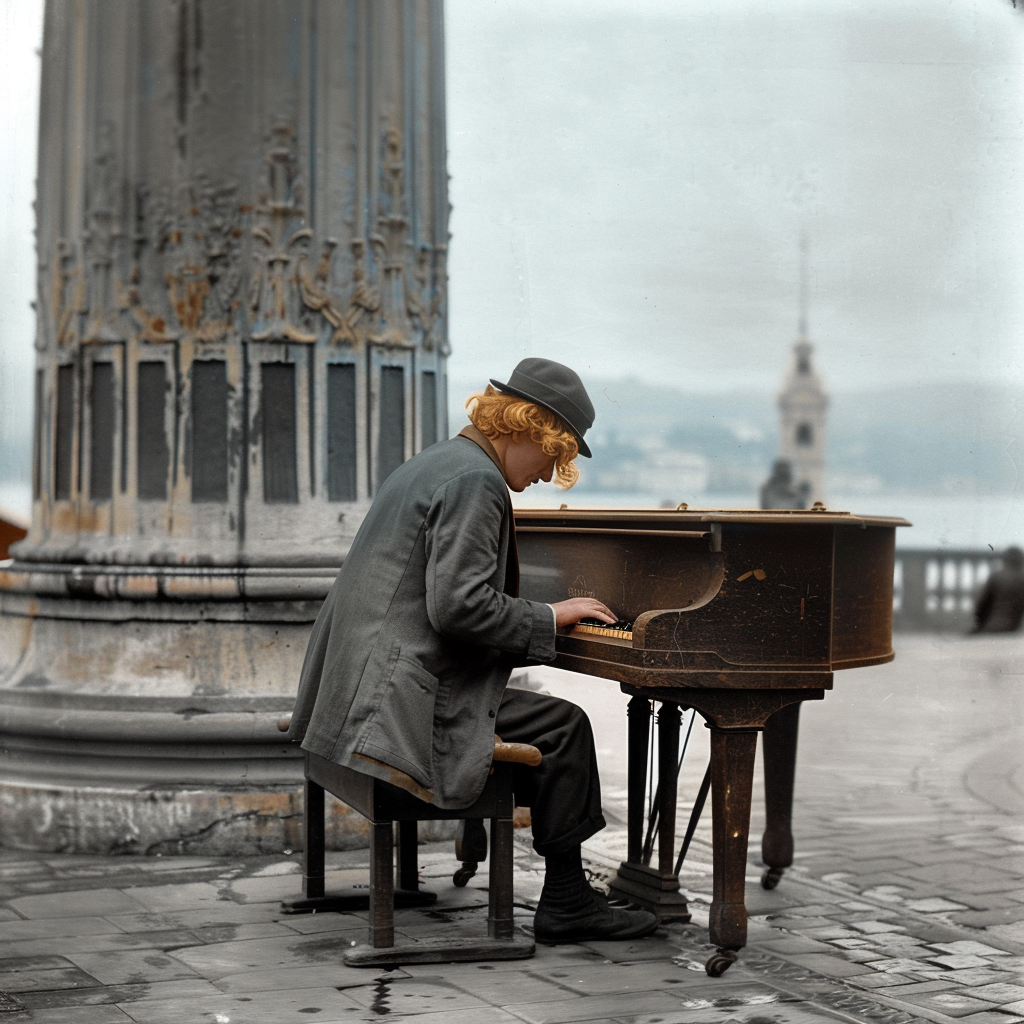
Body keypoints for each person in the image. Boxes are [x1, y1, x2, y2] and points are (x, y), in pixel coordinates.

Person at [288, 357, 658, 943]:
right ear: (525, 426)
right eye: (553, 454)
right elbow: (458, 607)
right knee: (565, 727)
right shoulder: (476, 481)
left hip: (361, 687)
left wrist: (532, 622)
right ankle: (567, 901)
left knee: (542, 720)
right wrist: (551, 616)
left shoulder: (439, 461)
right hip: (395, 706)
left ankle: (558, 883)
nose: (548, 473)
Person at [971, 546, 1024, 634]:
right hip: (1014, 627)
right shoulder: (1022, 579)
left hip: (992, 625)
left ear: (1005, 560)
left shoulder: (996, 577)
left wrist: (979, 625)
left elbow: (981, 606)